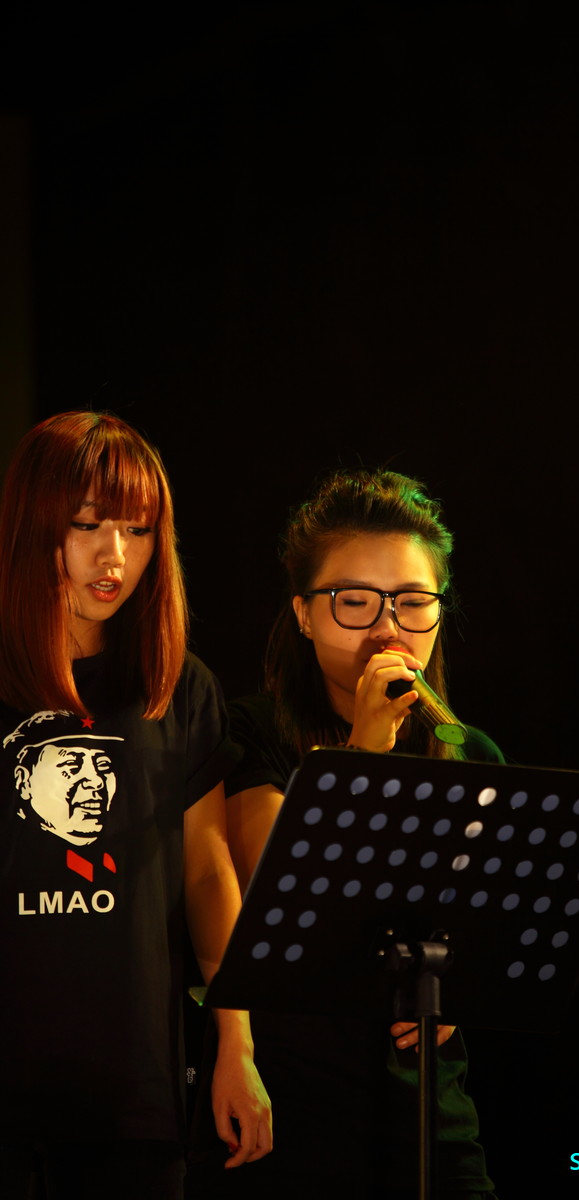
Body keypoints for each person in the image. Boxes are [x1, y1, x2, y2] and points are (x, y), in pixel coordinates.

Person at [186, 468, 501, 1200]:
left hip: (428, 1109)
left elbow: (497, 929)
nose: (388, 628)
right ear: (304, 614)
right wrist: (365, 749)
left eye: (413, 602)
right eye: (355, 602)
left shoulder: (470, 753)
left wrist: (467, 990)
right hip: (294, 1100)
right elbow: (279, 891)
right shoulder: (251, 730)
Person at [0, 411, 272, 1199]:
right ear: (32, 523)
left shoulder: (178, 685)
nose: (114, 555)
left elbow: (207, 874)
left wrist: (237, 1045)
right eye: (88, 525)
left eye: (137, 530)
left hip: (132, 1096)